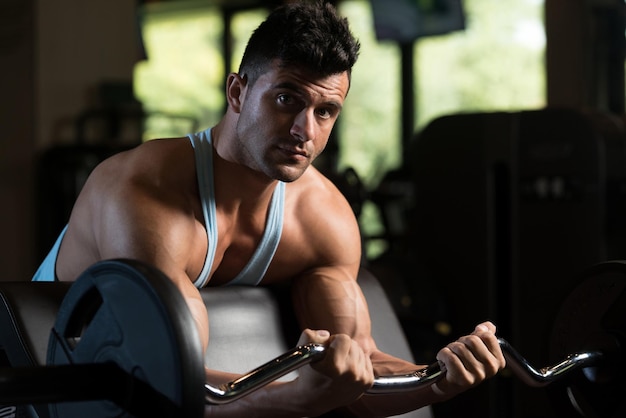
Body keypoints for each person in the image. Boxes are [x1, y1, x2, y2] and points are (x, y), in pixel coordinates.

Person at [33, 1, 505, 416]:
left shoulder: (324, 219)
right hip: (42, 379)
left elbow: (360, 375)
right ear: (237, 92)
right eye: (286, 99)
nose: (305, 130)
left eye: (325, 112)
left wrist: (436, 380)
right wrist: (299, 398)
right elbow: (162, 379)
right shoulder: (143, 191)